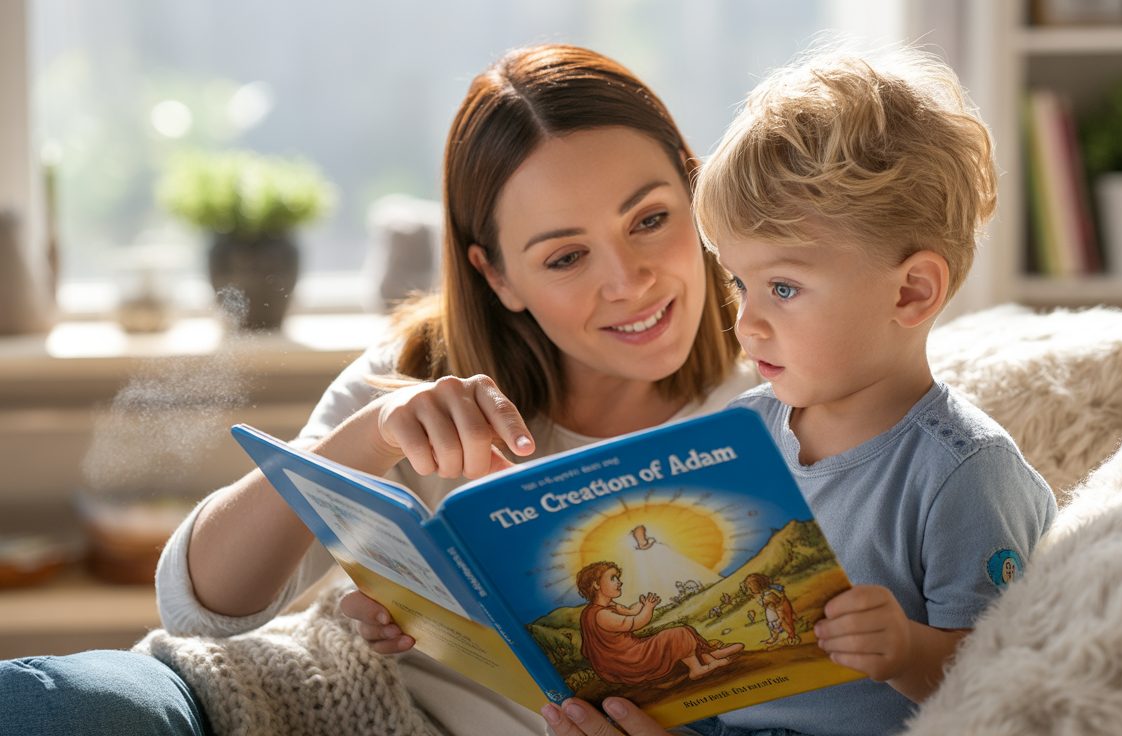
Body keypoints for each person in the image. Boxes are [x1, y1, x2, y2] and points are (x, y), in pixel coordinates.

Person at [0, 43, 757, 735]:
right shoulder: (421, 370)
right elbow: (198, 608)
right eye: (565, 258)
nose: (629, 281)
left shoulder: (789, 380)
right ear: (498, 276)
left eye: (651, 219)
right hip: (349, 705)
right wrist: (365, 437)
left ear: (698, 194)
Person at [543, 44, 1057, 736]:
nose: (745, 320)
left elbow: (1005, 675)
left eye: (783, 288)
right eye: (738, 283)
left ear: (911, 291)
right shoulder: (743, 431)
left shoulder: (964, 472)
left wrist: (907, 650)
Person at [575, 562, 743, 685]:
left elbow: (631, 611)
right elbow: (634, 622)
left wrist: (641, 605)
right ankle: (696, 669)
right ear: (596, 584)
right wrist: (648, 608)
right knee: (677, 634)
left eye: (618, 578)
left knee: (685, 629)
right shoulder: (602, 615)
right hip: (629, 660)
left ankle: (710, 656)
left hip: (632, 651)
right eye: (613, 578)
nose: (619, 582)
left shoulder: (608, 607)